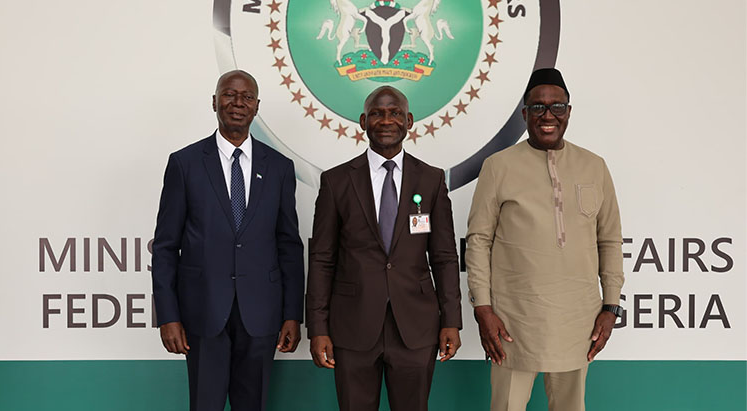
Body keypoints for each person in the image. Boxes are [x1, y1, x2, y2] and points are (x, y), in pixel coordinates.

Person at [465, 67, 624, 411]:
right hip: (512, 320)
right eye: (538, 107)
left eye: (557, 107)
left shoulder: (594, 166)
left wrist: (610, 306)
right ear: (525, 114)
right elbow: (478, 240)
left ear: (568, 112)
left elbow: (609, 241)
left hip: (578, 320)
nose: (548, 115)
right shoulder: (498, 166)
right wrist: (483, 307)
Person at [151, 70, 304, 411]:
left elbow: (289, 245)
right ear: (214, 102)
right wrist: (167, 316)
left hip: (261, 315)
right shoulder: (185, 163)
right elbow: (164, 247)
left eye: (247, 96)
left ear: (256, 106)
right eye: (229, 94)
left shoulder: (279, 167)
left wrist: (292, 313)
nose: (238, 102)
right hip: (202, 313)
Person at [306, 85, 462, 411]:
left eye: (395, 113)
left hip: (416, 329)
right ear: (363, 121)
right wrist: (318, 328)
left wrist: (451, 320)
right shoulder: (336, 182)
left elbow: (445, 257)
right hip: (352, 328)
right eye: (377, 113)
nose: (386, 120)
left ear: (409, 120)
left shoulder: (431, 180)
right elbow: (322, 259)